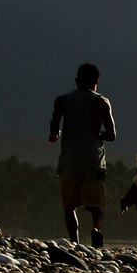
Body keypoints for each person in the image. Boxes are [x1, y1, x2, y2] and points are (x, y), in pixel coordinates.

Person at [49, 62, 116, 247]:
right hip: (93, 158)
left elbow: (54, 127)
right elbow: (111, 135)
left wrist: (55, 136)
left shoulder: (61, 100)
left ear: (76, 80)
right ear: (96, 82)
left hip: (69, 158)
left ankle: (74, 242)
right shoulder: (102, 101)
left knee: (69, 206)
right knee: (97, 205)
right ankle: (96, 228)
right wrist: (97, 134)